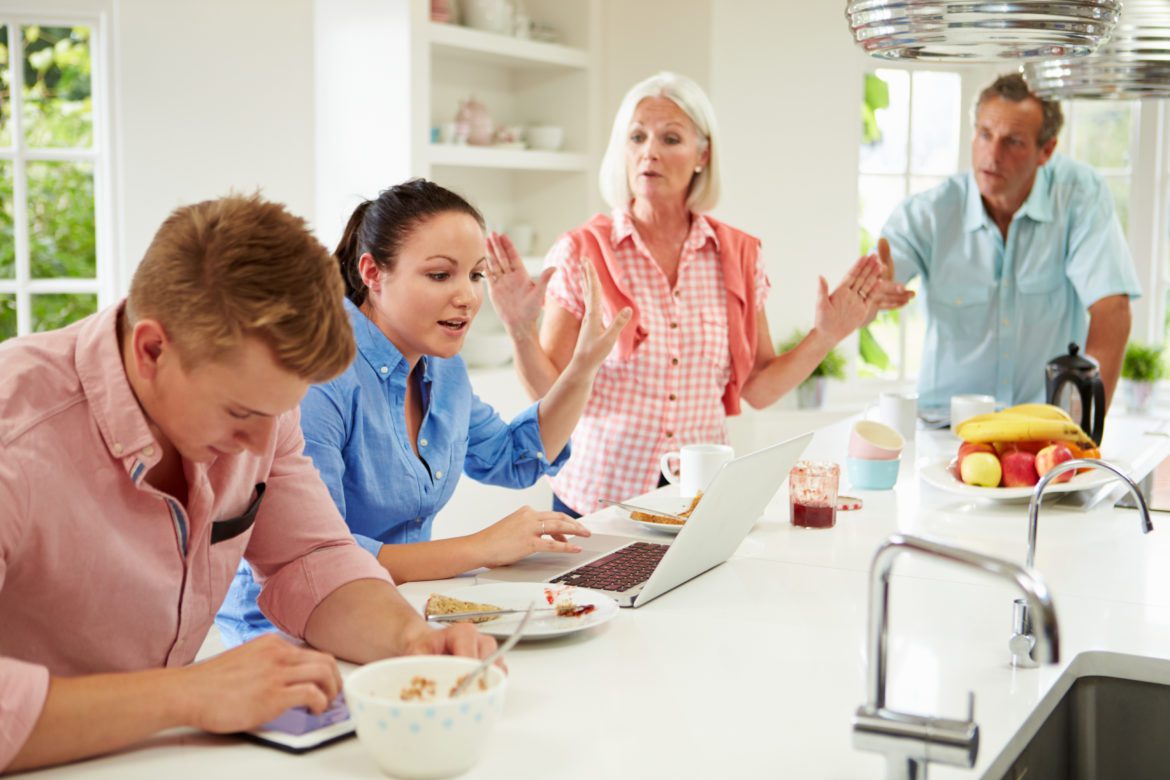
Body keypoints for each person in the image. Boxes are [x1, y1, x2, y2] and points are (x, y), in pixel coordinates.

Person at [0, 195, 495, 773]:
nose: (260, 449)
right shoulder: (17, 438)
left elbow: (312, 556)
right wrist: (187, 695)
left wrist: (411, 642)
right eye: (239, 414)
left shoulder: (262, 401)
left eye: (277, 415)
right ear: (152, 349)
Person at [216, 180, 630, 646]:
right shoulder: (320, 377)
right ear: (372, 272)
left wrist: (581, 368)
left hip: (400, 611)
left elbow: (515, 457)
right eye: (440, 275)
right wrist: (481, 547)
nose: (468, 297)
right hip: (290, 633)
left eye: (476, 275)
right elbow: (321, 557)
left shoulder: (442, 367)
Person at [484, 71, 881, 518]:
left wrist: (826, 335)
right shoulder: (582, 250)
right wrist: (520, 331)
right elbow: (550, 392)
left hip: (697, 500)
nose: (649, 151)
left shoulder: (738, 255)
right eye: (637, 137)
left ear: (702, 155)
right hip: (598, 500)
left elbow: (760, 388)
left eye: (670, 138)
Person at [872, 72, 1141, 412]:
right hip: (944, 426)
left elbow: (1112, 310)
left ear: (1047, 150)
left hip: (1041, 430)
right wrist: (873, 292)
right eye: (985, 134)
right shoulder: (929, 213)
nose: (992, 154)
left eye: (1012, 141)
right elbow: (869, 289)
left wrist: (1082, 424)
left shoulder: (1078, 196)